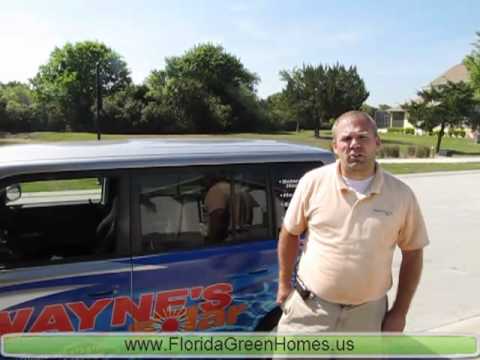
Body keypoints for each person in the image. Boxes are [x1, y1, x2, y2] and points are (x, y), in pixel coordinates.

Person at [276, 110, 429, 333]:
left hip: (368, 316)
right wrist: (283, 285)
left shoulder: (401, 195)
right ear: (335, 146)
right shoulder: (312, 182)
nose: (354, 144)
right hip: (309, 308)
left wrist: (399, 312)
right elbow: (289, 232)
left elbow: (413, 252)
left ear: (377, 142)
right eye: (346, 138)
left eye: (363, 137)